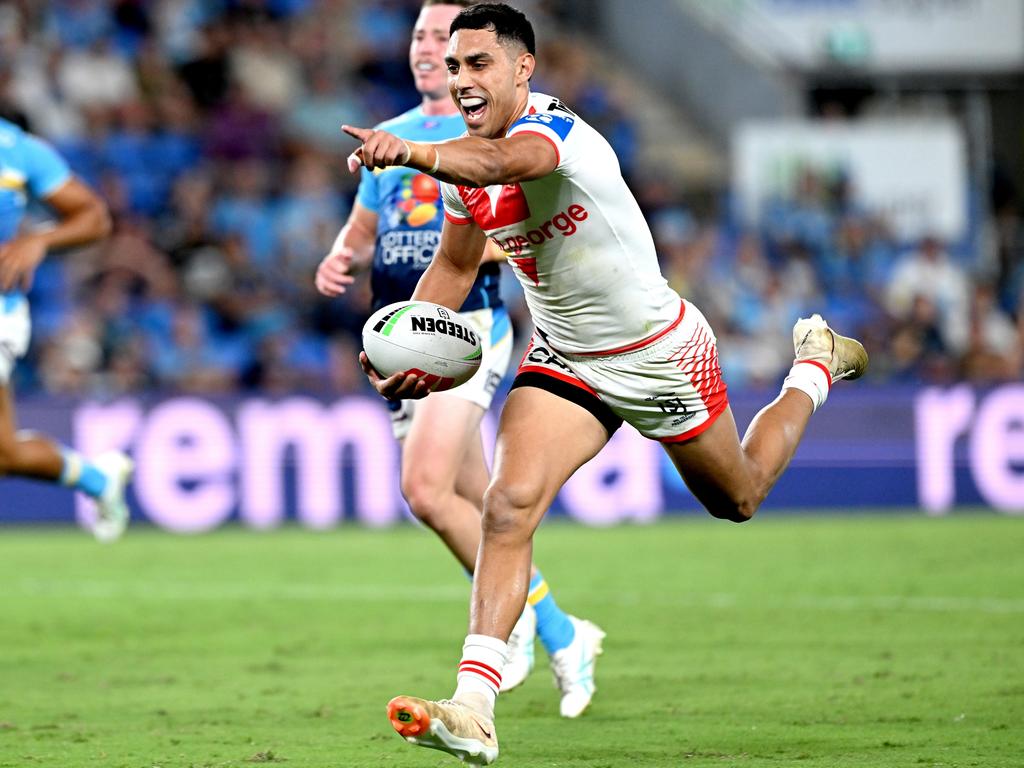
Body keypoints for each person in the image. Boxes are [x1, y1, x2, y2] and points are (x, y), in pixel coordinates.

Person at [343, 3, 869, 765]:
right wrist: (400, 339)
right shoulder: (464, 166)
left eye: (479, 63)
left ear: (524, 68)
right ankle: (476, 705)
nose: (461, 79)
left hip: (658, 352)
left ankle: (815, 362)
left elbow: (496, 166)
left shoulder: (556, 138)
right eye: (453, 67)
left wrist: (413, 156)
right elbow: (456, 265)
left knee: (741, 496)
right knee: (506, 505)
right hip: (564, 357)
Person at [315, 0, 603, 716]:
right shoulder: (392, 138)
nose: (427, 49)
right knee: (482, 507)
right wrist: (341, 255)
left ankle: (509, 632)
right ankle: (566, 634)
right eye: (420, 37)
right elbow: (366, 221)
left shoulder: (490, 137)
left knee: (423, 489)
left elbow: (511, 228)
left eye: (444, 39)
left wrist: (489, 247)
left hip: (463, 330)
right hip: (406, 329)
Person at [0, 116, 133, 541]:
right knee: (5, 455)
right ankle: (98, 479)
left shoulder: (16, 148)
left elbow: (93, 216)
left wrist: (39, 240)